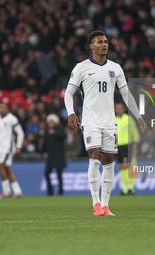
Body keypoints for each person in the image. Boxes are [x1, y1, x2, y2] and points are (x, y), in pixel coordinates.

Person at [64, 30, 146, 216]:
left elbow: (125, 94)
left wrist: (138, 115)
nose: (104, 44)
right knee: (94, 157)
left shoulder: (116, 68)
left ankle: (106, 205)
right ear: (91, 46)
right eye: (100, 42)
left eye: (106, 41)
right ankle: (95, 204)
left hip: (110, 122)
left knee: (109, 162)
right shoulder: (81, 67)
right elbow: (69, 93)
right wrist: (71, 113)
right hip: (91, 121)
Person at [115, 102, 140, 195]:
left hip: (127, 144)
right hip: (118, 146)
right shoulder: (114, 120)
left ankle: (131, 188)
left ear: (123, 109)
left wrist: (135, 146)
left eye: (120, 108)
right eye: (117, 108)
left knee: (128, 165)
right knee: (121, 166)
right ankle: (124, 188)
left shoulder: (128, 119)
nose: (118, 110)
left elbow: (135, 133)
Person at [43, 114, 66, 196]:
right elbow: (45, 143)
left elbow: (64, 135)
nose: (50, 123)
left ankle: (60, 191)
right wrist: (41, 152)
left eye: (51, 122)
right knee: (46, 173)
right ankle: (50, 191)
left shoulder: (59, 129)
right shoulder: (47, 130)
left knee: (59, 174)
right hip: (51, 156)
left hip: (59, 155)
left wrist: (55, 132)